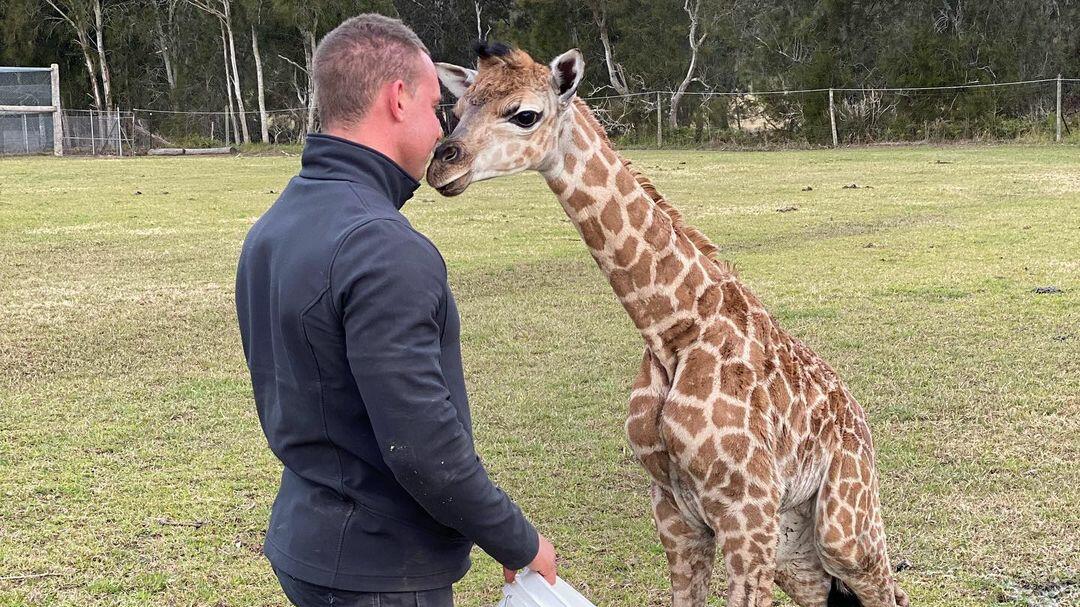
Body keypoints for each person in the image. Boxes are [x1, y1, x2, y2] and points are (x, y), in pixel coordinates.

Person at [235, 14, 556, 607]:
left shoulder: (275, 226)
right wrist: (519, 541)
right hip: (380, 572)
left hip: (309, 543)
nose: (443, 128)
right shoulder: (385, 249)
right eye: (438, 107)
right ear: (398, 97)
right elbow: (424, 449)